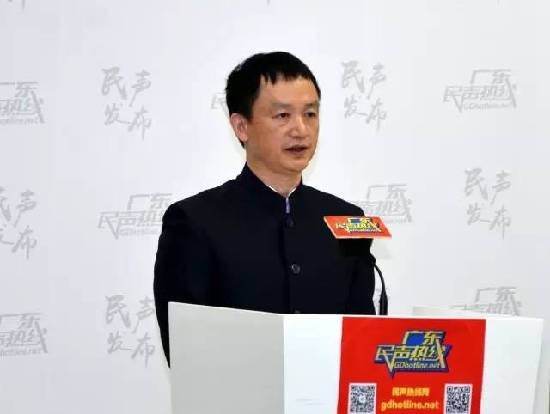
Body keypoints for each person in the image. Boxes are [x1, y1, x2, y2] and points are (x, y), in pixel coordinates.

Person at [154, 51, 376, 365]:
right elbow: (186, 352)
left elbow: (362, 340)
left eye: (310, 114)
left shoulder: (348, 220)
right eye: (282, 115)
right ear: (241, 126)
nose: (301, 129)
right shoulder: (194, 222)